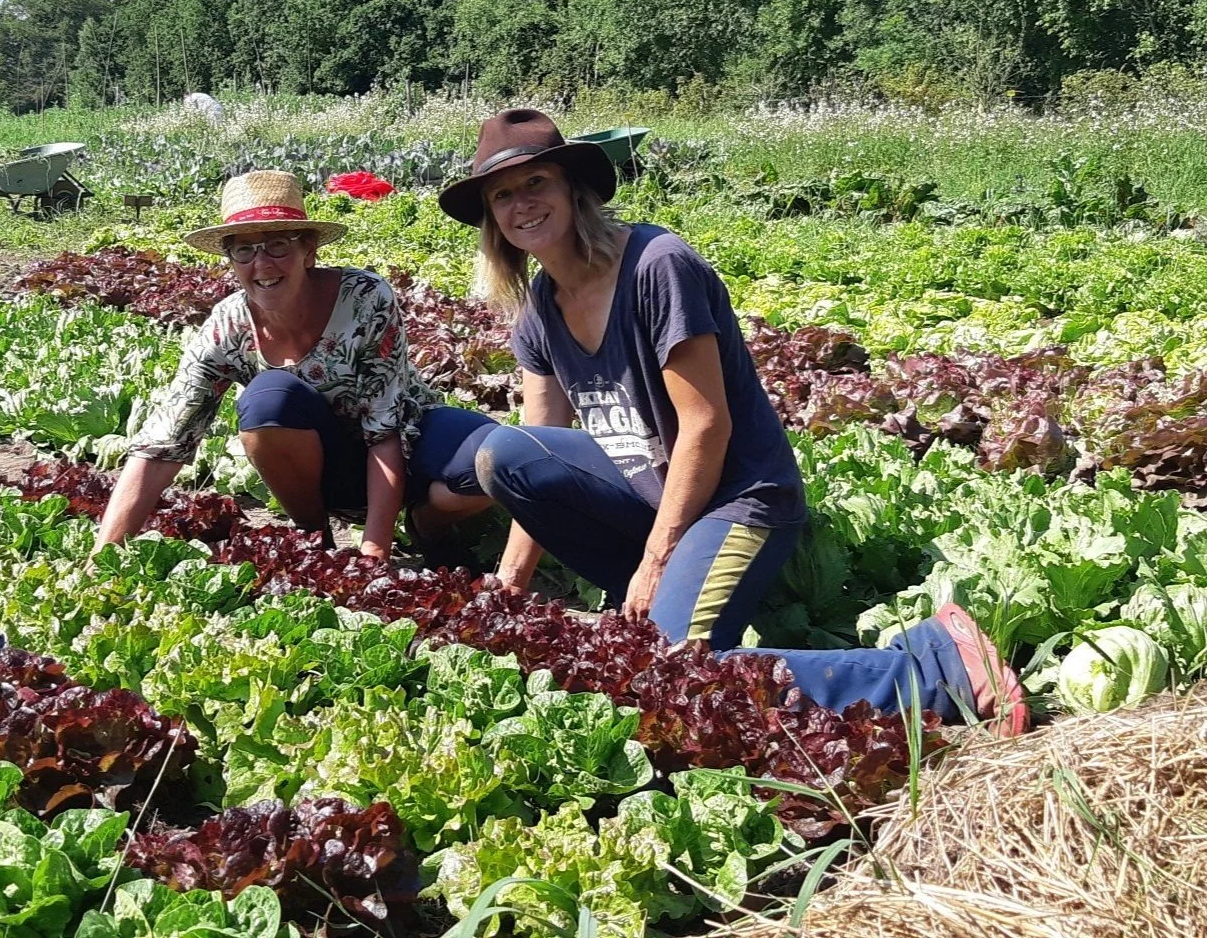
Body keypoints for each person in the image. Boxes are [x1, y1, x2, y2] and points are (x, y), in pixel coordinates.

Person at [439, 108, 1029, 734]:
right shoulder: (540, 309)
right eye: (503, 195)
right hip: (657, 503)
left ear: (573, 188)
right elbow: (539, 447)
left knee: (667, 674)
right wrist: (504, 595)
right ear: (491, 220)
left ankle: (940, 668)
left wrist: (657, 559)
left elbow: (706, 426)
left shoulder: (656, 266)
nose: (522, 205)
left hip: (738, 499)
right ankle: (668, 600)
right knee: (502, 453)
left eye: (537, 183)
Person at [93, 170, 495, 563]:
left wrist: (375, 550)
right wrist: (105, 553)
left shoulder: (364, 298)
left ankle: (428, 524)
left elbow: (384, 429)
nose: (262, 264)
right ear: (231, 258)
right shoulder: (228, 325)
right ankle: (315, 538)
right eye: (244, 249)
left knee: (494, 461)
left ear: (309, 249)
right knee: (268, 399)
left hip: (409, 437)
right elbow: (166, 440)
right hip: (334, 471)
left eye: (278, 245)